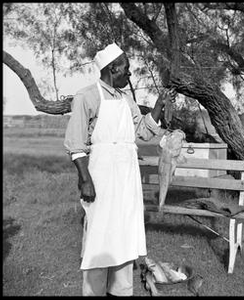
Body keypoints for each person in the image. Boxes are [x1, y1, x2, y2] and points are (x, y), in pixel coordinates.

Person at [64, 42, 176, 296]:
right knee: (100, 237)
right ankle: (94, 291)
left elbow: (142, 132)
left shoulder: (126, 99)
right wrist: (85, 180)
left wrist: (158, 106)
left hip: (127, 178)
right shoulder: (87, 96)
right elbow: (75, 145)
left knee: (125, 236)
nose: (130, 74)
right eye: (126, 69)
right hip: (101, 176)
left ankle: (121, 291)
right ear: (113, 68)